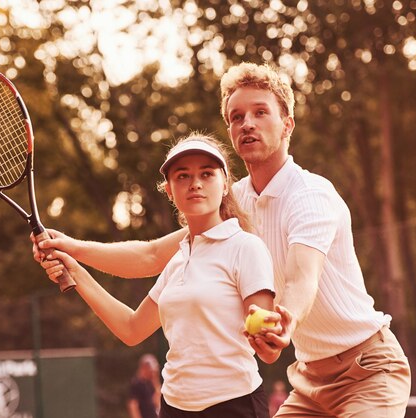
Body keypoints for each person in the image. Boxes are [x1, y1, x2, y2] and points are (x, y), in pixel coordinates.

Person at [34, 62, 412, 417]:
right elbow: (151, 256)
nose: (247, 123)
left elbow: (302, 277)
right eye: (237, 117)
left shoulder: (310, 194)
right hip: (309, 380)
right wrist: (69, 247)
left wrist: (286, 322)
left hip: (368, 370)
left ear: (287, 125)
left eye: (260, 112)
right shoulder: (236, 202)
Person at [35, 134, 278, 418]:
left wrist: (270, 336)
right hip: (174, 407)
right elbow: (131, 329)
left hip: (235, 406)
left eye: (207, 174)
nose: (195, 183)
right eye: (183, 175)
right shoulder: (178, 260)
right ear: (170, 191)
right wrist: (76, 269)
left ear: (225, 184)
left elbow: (268, 347)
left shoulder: (246, 247)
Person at [127, 354, 161, 418]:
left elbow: (157, 402)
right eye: (151, 370)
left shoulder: (151, 383)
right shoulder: (137, 383)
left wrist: (156, 381)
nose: (153, 373)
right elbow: (133, 405)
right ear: (144, 368)